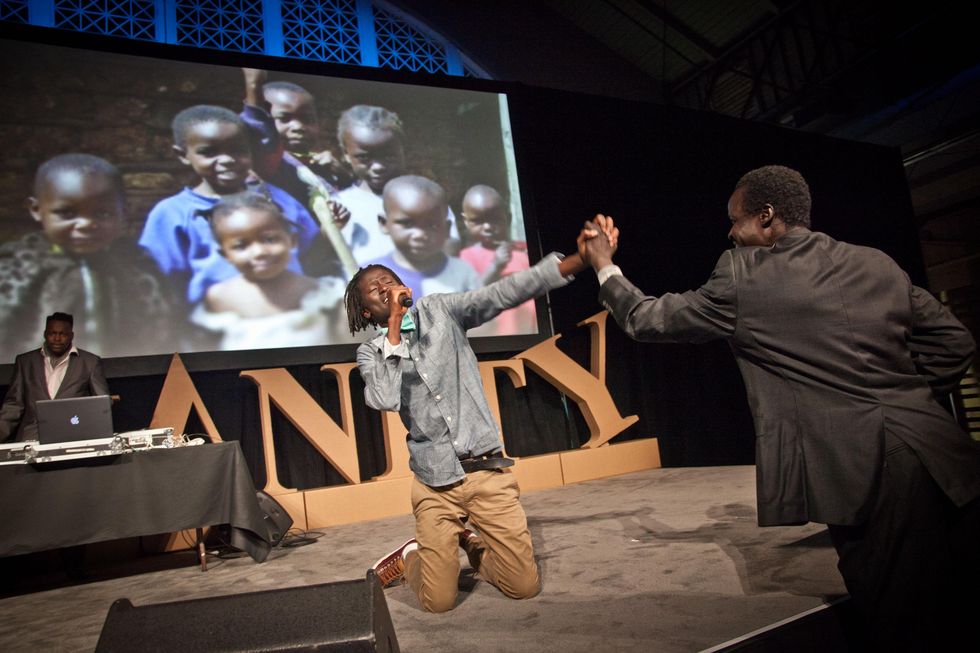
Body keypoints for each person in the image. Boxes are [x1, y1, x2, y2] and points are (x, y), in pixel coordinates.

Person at [578, 164, 980, 651]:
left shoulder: (743, 274)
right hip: (947, 460)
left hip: (867, 473)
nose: (730, 232)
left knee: (902, 622)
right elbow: (956, 343)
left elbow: (648, 319)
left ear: (766, 216)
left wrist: (604, 265)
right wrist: (906, 401)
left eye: (735, 220)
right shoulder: (876, 262)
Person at [344, 225, 608, 613]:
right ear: (367, 311)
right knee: (438, 602)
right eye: (374, 288)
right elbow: (383, 397)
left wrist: (580, 261)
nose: (385, 287)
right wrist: (396, 329)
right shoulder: (372, 353)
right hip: (435, 485)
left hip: (486, 470)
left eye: (390, 280)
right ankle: (411, 558)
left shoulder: (439, 310)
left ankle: (470, 541)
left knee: (524, 587)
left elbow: (501, 294)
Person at [138, 104, 336, 305]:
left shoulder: (277, 199)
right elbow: (164, 284)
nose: (227, 160)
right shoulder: (173, 214)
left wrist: (330, 229)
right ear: (183, 155)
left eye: (238, 150)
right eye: (208, 152)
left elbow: (310, 255)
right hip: (219, 326)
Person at [0, 153, 181, 358]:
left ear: (124, 212)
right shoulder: (20, 265)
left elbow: (161, 324)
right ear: (36, 210)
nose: (86, 224)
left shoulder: (136, 263)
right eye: (67, 213)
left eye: (103, 213)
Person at [189, 191, 350, 350]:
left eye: (270, 239)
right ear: (225, 255)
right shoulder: (219, 298)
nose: (259, 252)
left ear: (292, 241)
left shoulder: (323, 295)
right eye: (240, 246)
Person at [334, 105, 461, 264]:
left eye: (388, 157)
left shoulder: (426, 198)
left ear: (403, 150)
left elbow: (450, 246)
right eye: (364, 158)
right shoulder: (339, 206)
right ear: (346, 154)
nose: (378, 167)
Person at [0, 312, 109, 443]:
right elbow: (14, 405)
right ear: (45, 334)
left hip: (73, 436)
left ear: (71, 336)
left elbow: (102, 404)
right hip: (32, 438)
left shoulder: (89, 362)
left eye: (63, 334)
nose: (57, 338)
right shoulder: (25, 362)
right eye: (52, 333)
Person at [365, 175, 478, 302]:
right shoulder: (369, 277)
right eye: (407, 223)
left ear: (447, 229)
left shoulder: (462, 274)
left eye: (432, 225)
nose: (420, 235)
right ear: (384, 224)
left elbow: (483, 318)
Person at [458, 184, 536, 336]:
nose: (487, 227)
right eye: (478, 221)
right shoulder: (467, 257)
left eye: (495, 220)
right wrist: (495, 267)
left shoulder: (524, 250)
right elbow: (469, 298)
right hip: (500, 333)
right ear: (466, 222)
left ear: (509, 218)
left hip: (531, 328)